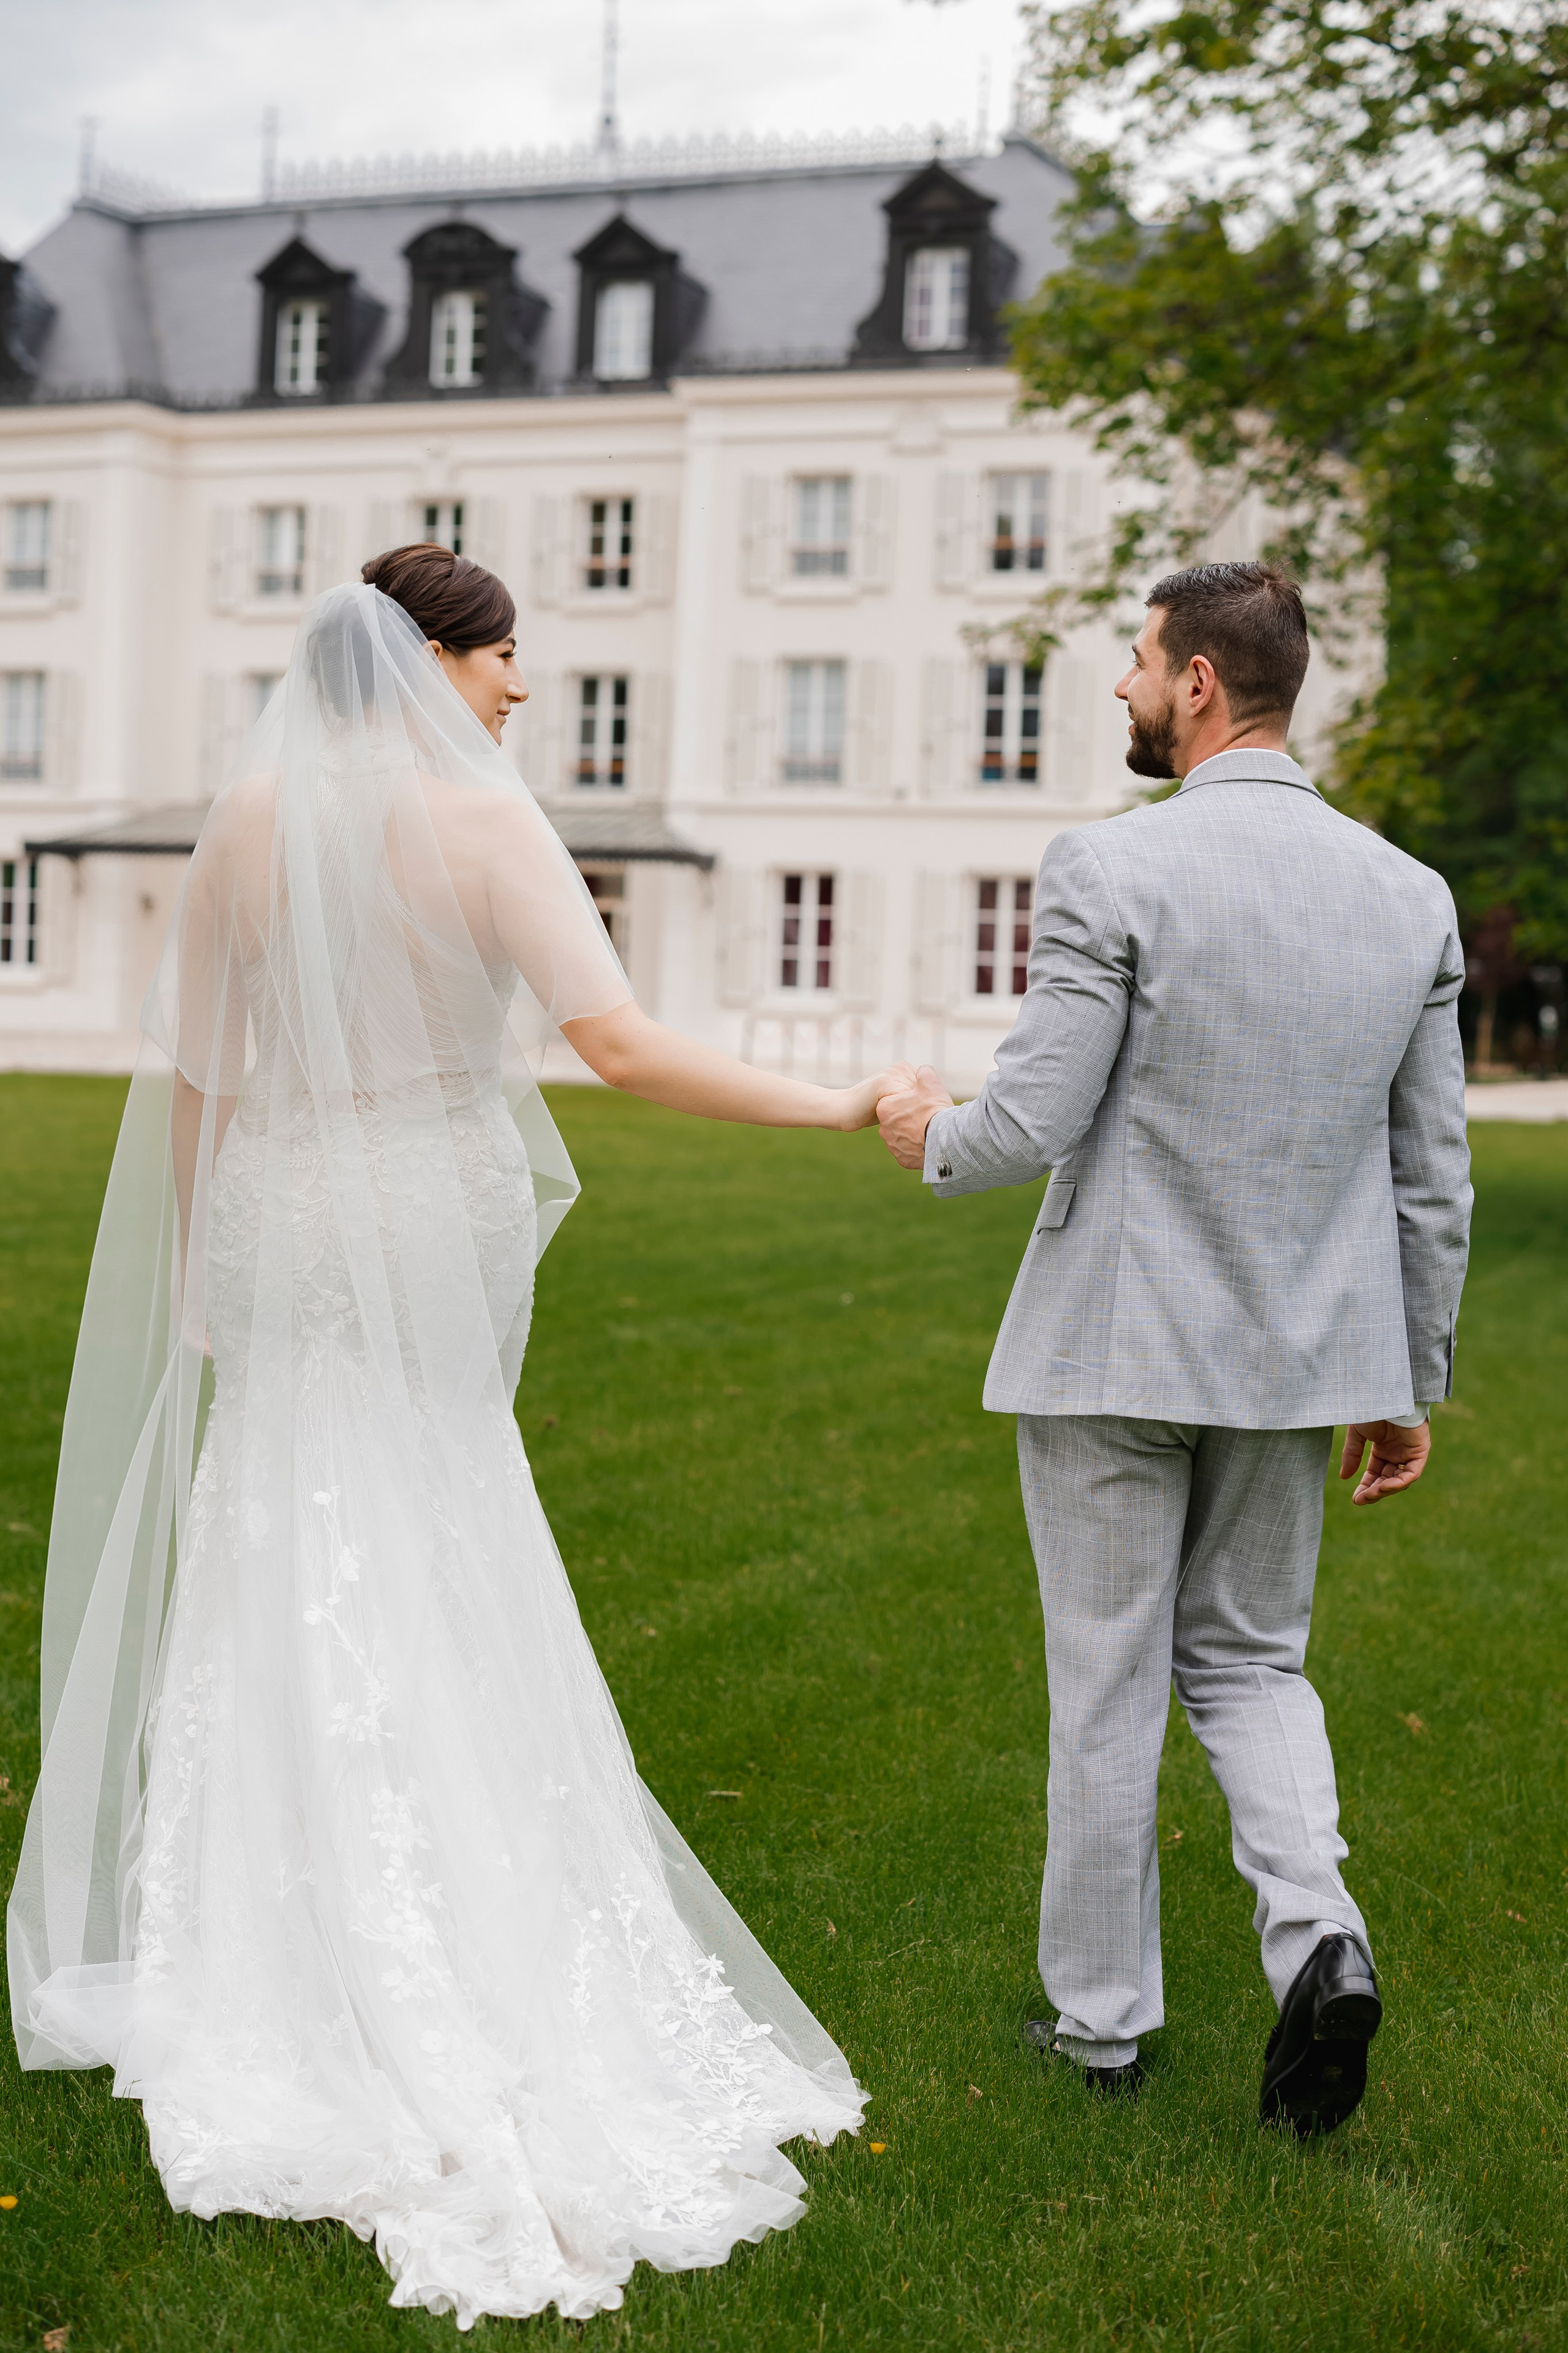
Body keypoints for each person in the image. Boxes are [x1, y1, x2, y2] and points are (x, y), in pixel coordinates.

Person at [8, 548, 875, 2327]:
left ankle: (269, 1944)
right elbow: (619, 1049)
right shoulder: (487, 829)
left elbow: (201, 1077)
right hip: (409, 1208)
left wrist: (196, 1267)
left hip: (277, 1212)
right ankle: (452, 1942)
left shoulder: (246, 825)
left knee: (278, 1530)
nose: (522, 690)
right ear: (430, 664)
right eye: (500, 658)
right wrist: (833, 1096)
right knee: (433, 1514)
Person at [875, 561, 1471, 2136]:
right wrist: (1409, 1376)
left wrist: (921, 1126)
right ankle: (1318, 1937)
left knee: (1107, 1680)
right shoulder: (1406, 893)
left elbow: (1027, 1120)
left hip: (1112, 1359)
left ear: (1199, 680)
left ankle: (1100, 2030)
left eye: (1138, 665)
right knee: (1253, 1663)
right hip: (1299, 1364)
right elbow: (1430, 1172)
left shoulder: (1107, 867)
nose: (1124, 691)